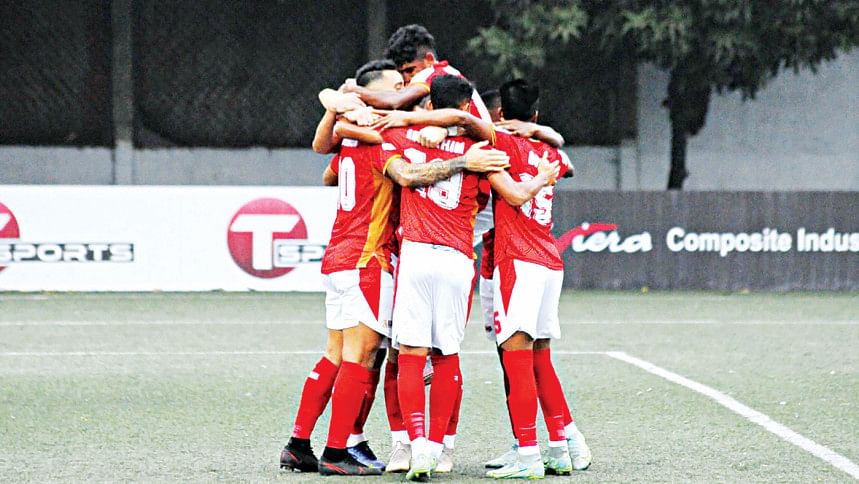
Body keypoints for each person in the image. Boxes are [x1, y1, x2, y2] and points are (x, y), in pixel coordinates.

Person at [378, 75, 558, 481]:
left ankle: (416, 445)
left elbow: (404, 175)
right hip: (458, 259)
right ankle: (440, 448)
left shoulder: (401, 138)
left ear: (429, 106)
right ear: (467, 107)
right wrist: (539, 177)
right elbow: (512, 194)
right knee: (447, 355)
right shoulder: (483, 151)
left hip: (416, 254)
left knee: (410, 354)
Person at [484, 79, 591, 479]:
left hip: (517, 260)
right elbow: (569, 165)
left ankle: (527, 453)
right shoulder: (550, 152)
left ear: (500, 114)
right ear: (535, 114)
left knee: (516, 362)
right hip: (548, 260)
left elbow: (472, 129)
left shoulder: (500, 143)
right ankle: (560, 448)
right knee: (540, 358)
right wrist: (541, 131)